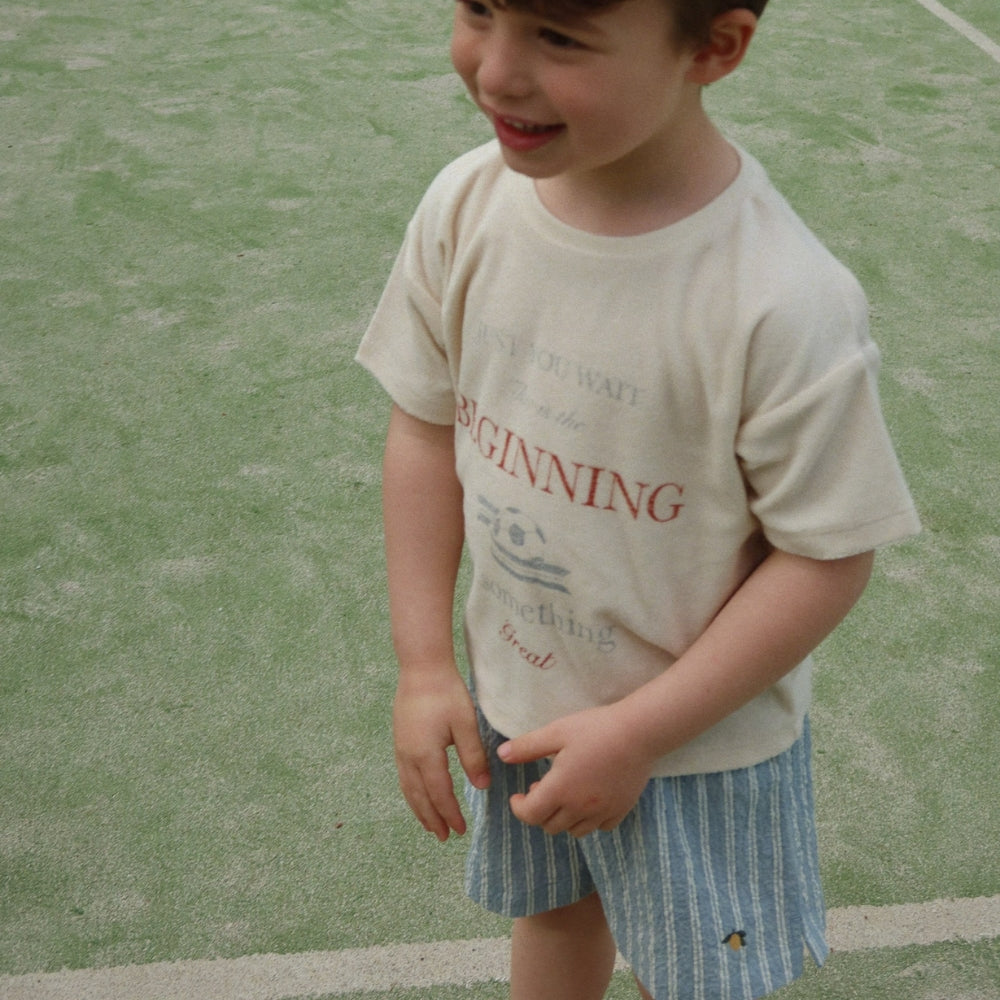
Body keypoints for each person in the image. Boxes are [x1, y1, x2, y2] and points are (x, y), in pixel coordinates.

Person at [356, 0, 921, 997]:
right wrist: (424, 665)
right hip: (522, 697)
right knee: (555, 912)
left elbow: (826, 556)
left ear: (714, 46)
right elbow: (427, 428)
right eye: (479, 9)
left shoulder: (780, 298)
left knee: (696, 973)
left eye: (558, 36)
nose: (496, 70)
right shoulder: (466, 206)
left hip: (698, 747)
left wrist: (640, 731)